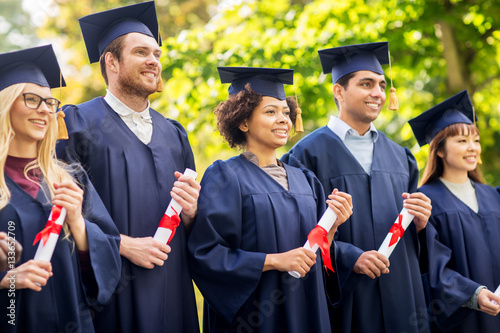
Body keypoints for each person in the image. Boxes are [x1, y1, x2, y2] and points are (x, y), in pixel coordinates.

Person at [56, 2, 200, 332]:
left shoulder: (174, 134)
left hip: (172, 288)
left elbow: (197, 227)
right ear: (112, 61)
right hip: (109, 289)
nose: (153, 61)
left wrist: (192, 211)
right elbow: (59, 209)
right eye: (141, 52)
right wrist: (122, 244)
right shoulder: (76, 124)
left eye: (157, 54)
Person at [188, 66, 353, 333]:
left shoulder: (306, 180)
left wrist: (332, 227)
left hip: (306, 307)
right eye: (270, 112)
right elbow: (206, 252)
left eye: (286, 113)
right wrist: (274, 260)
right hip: (254, 314)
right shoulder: (225, 176)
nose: (283, 120)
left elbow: (317, 253)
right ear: (243, 121)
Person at [282, 42, 433, 333]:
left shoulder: (401, 157)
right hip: (345, 297)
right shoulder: (305, 155)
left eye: (381, 84)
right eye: (366, 84)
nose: (377, 93)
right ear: (339, 91)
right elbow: (299, 231)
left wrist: (423, 225)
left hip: (402, 293)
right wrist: (351, 257)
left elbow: (422, 245)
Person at [0, 45, 121, 332]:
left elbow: (107, 268)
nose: (45, 109)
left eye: (50, 102)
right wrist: (7, 279)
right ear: (5, 104)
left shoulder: (70, 179)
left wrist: (78, 223)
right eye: (32, 99)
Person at [409, 90, 500, 332]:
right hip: (462, 320)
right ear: (439, 150)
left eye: (475, 140)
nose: (472, 148)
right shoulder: (425, 200)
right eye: (461, 141)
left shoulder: (494, 196)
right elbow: (431, 266)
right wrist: (472, 295)